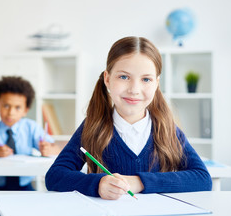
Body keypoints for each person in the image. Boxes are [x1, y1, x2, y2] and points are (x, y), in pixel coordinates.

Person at [45, 36, 212, 200]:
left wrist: (139, 182)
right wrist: (98, 184)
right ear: (107, 79)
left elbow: (202, 179)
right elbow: (55, 176)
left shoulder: (166, 128)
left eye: (146, 79)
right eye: (124, 77)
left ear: (156, 84)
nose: (134, 89)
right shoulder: (94, 126)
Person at [0, 76, 60, 191]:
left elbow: (57, 149)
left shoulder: (31, 127)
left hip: (25, 188)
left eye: (17, 107)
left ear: (26, 110)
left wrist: (49, 149)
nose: (11, 113)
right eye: (6, 106)